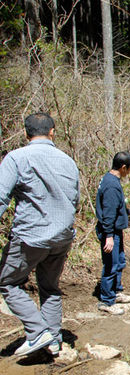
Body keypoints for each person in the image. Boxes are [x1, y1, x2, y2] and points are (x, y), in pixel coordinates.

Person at [0, 112, 80, 357]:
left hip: (31, 236)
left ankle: (37, 332)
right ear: (52, 132)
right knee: (50, 287)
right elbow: (74, 200)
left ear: (26, 133)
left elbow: (1, 197)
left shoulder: (16, 158)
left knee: (6, 281)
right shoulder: (68, 161)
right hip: (63, 236)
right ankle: (53, 340)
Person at [95, 151, 130, 315]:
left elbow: (115, 207)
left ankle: (116, 292)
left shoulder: (110, 180)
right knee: (111, 265)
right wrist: (108, 236)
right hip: (110, 232)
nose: (129, 172)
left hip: (115, 230)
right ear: (123, 167)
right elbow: (108, 212)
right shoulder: (112, 185)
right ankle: (106, 301)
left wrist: (128, 211)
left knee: (119, 262)